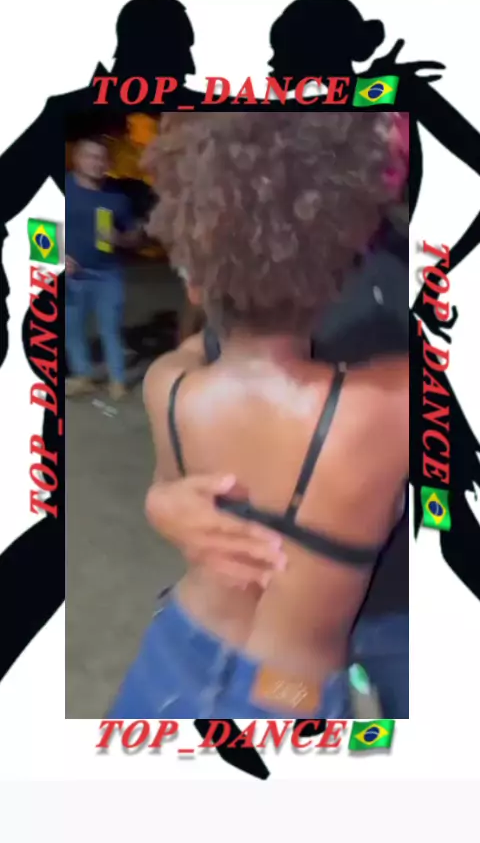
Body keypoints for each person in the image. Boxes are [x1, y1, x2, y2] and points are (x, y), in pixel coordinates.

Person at [108, 111, 408, 719]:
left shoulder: (168, 385)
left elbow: (194, 345)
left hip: (174, 650)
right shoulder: (387, 405)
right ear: (330, 279)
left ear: (195, 283)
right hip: (286, 691)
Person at [65, 136, 141, 400]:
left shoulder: (117, 196)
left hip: (108, 274)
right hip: (71, 276)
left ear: (108, 163)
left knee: (110, 328)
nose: (96, 163)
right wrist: (57, 258)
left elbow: (135, 235)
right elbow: (40, 226)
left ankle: (117, 381)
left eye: (101, 158)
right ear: (77, 159)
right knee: (72, 329)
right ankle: (83, 376)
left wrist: (120, 239)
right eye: (90, 156)